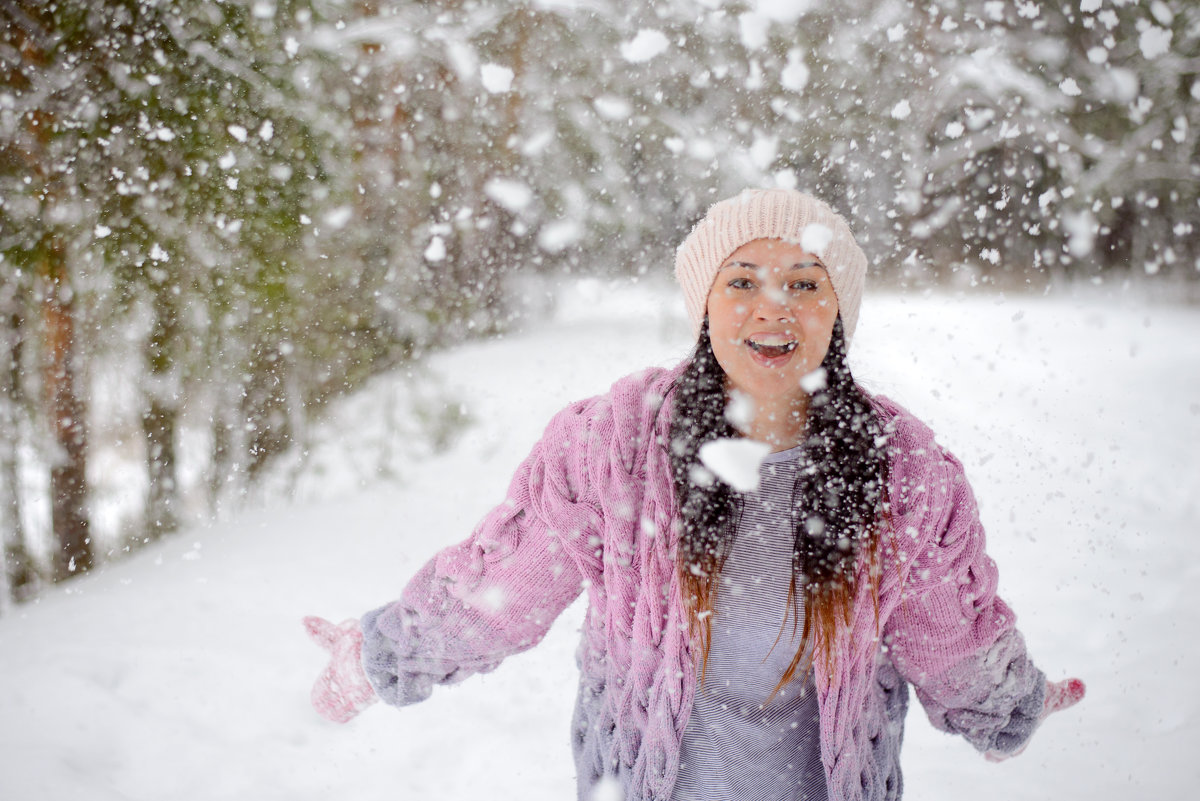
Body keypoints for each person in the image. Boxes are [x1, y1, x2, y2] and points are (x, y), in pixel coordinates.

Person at [304, 188, 1084, 801]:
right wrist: (381, 655)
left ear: (838, 313)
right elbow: (498, 587)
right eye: (740, 280)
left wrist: (1008, 703)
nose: (772, 306)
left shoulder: (903, 467)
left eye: (803, 283)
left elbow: (949, 633)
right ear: (704, 306)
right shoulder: (614, 442)